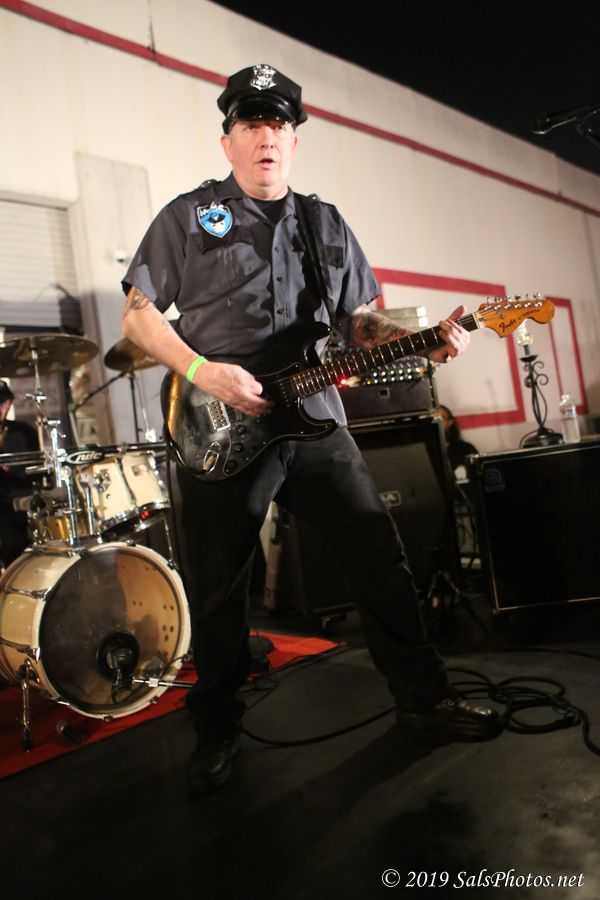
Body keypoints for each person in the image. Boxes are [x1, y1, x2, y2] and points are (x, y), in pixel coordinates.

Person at [121, 63, 502, 795]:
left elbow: (360, 323)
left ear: (295, 141)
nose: (266, 137)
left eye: (279, 124)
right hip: (220, 425)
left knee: (378, 556)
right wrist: (202, 371)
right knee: (219, 588)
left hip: (316, 419)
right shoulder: (189, 217)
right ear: (228, 140)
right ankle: (217, 728)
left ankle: (422, 698)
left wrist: (420, 341)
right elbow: (138, 319)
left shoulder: (324, 224)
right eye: (251, 124)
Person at [0, 380, 39, 568]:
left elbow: (36, 473)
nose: (1, 408)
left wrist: (13, 469)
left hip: (14, 512)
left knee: (15, 546)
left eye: (3, 403)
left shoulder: (23, 432)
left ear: (9, 404)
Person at [438, 403, 479, 480]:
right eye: (433, 419)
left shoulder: (466, 449)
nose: (436, 423)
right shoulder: (423, 454)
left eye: (440, 419)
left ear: (450, 422)